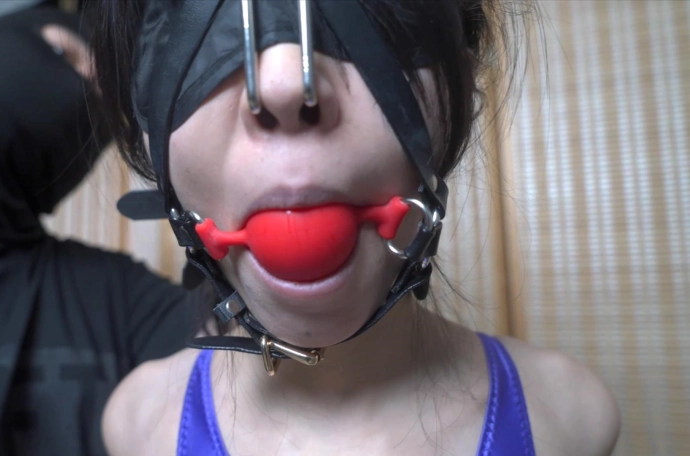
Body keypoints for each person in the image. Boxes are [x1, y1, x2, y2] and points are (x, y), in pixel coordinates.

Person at [92, 0, 621, 455]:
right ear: (142, 121)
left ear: (457, 89)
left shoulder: (571, 418)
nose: (283, 84)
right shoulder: (137, 425)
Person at [0, 7, 203, 456]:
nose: (79, 96)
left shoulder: (116, 297)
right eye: (63, 54)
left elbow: (235, 360)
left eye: (100, 104)